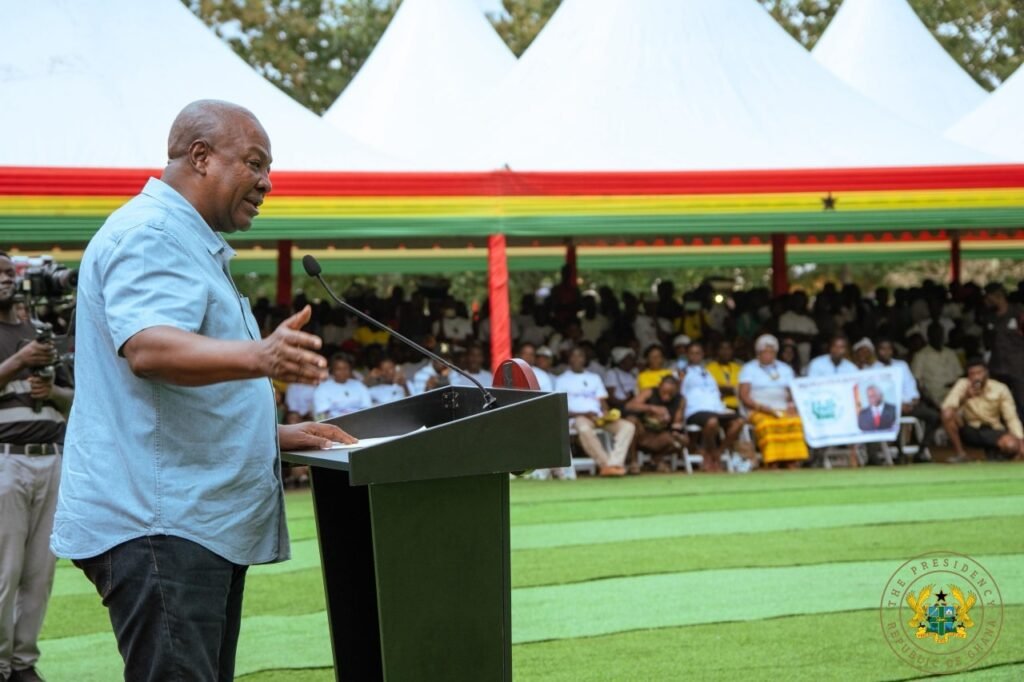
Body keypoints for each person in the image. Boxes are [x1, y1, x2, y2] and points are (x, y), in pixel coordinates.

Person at [50, 100, 354, 682]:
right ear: (200, 157)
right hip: (159, 523)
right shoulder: (153, 234)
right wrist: (258, 355)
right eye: (255, 163)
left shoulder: (186, 240)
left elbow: (179, 391)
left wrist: (274, 433)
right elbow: (149, 348)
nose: (268, 182)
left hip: (182, 522)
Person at [0, 254, 74, 682]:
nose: (5, 279)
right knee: (3, 572)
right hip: (5, 459)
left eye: (10, 273)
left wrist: (52, 393)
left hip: (50, 457)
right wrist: (17, 361)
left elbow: (75, 396)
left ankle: (23, 664)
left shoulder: (41, 333)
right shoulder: (26, 344)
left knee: (38, 574)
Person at [556, 348, 635, 477]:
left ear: (584, 359)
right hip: (578, 417)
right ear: (569, 359)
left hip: (598, 417)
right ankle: (606, 465)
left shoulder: (594, 377)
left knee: (628, 426)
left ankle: (615, 463)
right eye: (574, 356)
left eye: (580, 356)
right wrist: (583, 414)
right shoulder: (562, 380)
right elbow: (559, 406)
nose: (577, 359)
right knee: (584, 429)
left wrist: (606, 413)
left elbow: (602, 400)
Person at [739, 334, 809, 468]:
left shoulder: (785, 369)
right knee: (767, 424)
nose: (769, 355)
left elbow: (792, 392)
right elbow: (744, 395)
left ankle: (792, 459)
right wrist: (761, 407)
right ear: (758, 353)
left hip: (782, 407)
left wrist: (791, 404)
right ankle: (772, 461)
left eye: (772, 352)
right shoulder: (749, 369)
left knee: (795, 422)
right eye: (765, 351)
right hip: (758, 408)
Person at [941, 358, 1024, 462]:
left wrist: (1021, 441)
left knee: (1011, 445)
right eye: (972, 374)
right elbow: (947, 407)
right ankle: (961, 454)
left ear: (986, 373)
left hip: (993, 428)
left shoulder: (1000, 388)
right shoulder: (962, 384)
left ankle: (997, 454)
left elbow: (1011, 418)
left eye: (979, 373)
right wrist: (965, 397)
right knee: (947, 414)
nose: (976, 377)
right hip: (970, 428)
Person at [680, 342, 743, 473]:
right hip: (695, 410)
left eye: (698, 353)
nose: (695, 356)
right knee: (712, 422)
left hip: (716, 408)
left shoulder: (707, 372)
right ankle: (712, 453)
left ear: (703, 355)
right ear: (687, 355)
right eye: (692, 353)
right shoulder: (682, 372)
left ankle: (718, 452)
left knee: (739, 422)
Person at [873, 338, 936, 461]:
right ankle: (899, 452)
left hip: (908, 405)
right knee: (892, 415)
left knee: (934, 416)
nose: (886, 352)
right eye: (882, 349)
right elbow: (878, 393)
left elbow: (910, 385)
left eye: (889, 349)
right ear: (877, 351)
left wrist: (912, 400)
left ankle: (921, 450)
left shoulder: (901, 365)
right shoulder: (873, 369)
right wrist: (898, 405)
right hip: (887, 407)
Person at [626, 375, 686, 473]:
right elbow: (630, 406)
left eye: (670, 394)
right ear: (659, 387)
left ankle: (656, 459)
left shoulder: (681, 400)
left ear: (676, 391)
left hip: (662, 435)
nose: (666, 397)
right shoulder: (649, 392)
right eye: (664, 393)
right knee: (630, 421)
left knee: (683, 441)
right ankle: (634, 462)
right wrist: (651, 408)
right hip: (643, 433)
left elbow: (677, 422)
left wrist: (673, 426)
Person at [983, 283, 1024, 416]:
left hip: (1017, 367)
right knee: (998, 404)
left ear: (997, 297)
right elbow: (988, 342)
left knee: (1021, 402)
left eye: (988, 298)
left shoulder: (1018, 312)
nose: (985, 301)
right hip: (997, 367)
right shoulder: (990, 317)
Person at [912, 322, 963, 408]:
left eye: (940, 333)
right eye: (934, 334)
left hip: (956, 391)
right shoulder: (920, 356)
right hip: (936, 394)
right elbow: (916, 381)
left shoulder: (950, 353)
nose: (938, 336)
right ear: (928, 335)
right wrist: (926, 399)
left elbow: (960, 374)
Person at [313, 353, 372, 419]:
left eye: (346, 368)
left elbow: (367, 408)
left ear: (351, 370)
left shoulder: (359, 385)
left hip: (359, 421)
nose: (343, 372)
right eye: (338, 369)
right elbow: (322, 414)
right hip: (333, 424)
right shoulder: (322, 388)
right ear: (332, 370)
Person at [705, 340, 742, 410]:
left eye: (728, 349)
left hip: (740, 406)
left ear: (732, 351)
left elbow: (744, 389)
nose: (725, 352)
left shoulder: (739, 368)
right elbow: (710, 389)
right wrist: (734, 390)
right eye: (722, 349)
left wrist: (723, 389)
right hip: (719, 407)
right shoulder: (709, 368)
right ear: (717, 351)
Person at [604, 346, 638, 411]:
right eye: (629, 359)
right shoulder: (612, 373)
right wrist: (627, 401)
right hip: (619, 408)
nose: (632, 361)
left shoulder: (633, 373)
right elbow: (610, 399)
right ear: (621, 361)